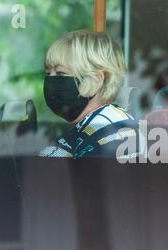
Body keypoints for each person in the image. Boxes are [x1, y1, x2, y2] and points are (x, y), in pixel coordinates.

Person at [40, 30, 140, 159]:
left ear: (95, 80)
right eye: (48, 74)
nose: (51, 82)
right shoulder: (85, 126)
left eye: (60, 74)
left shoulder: (112, 132)